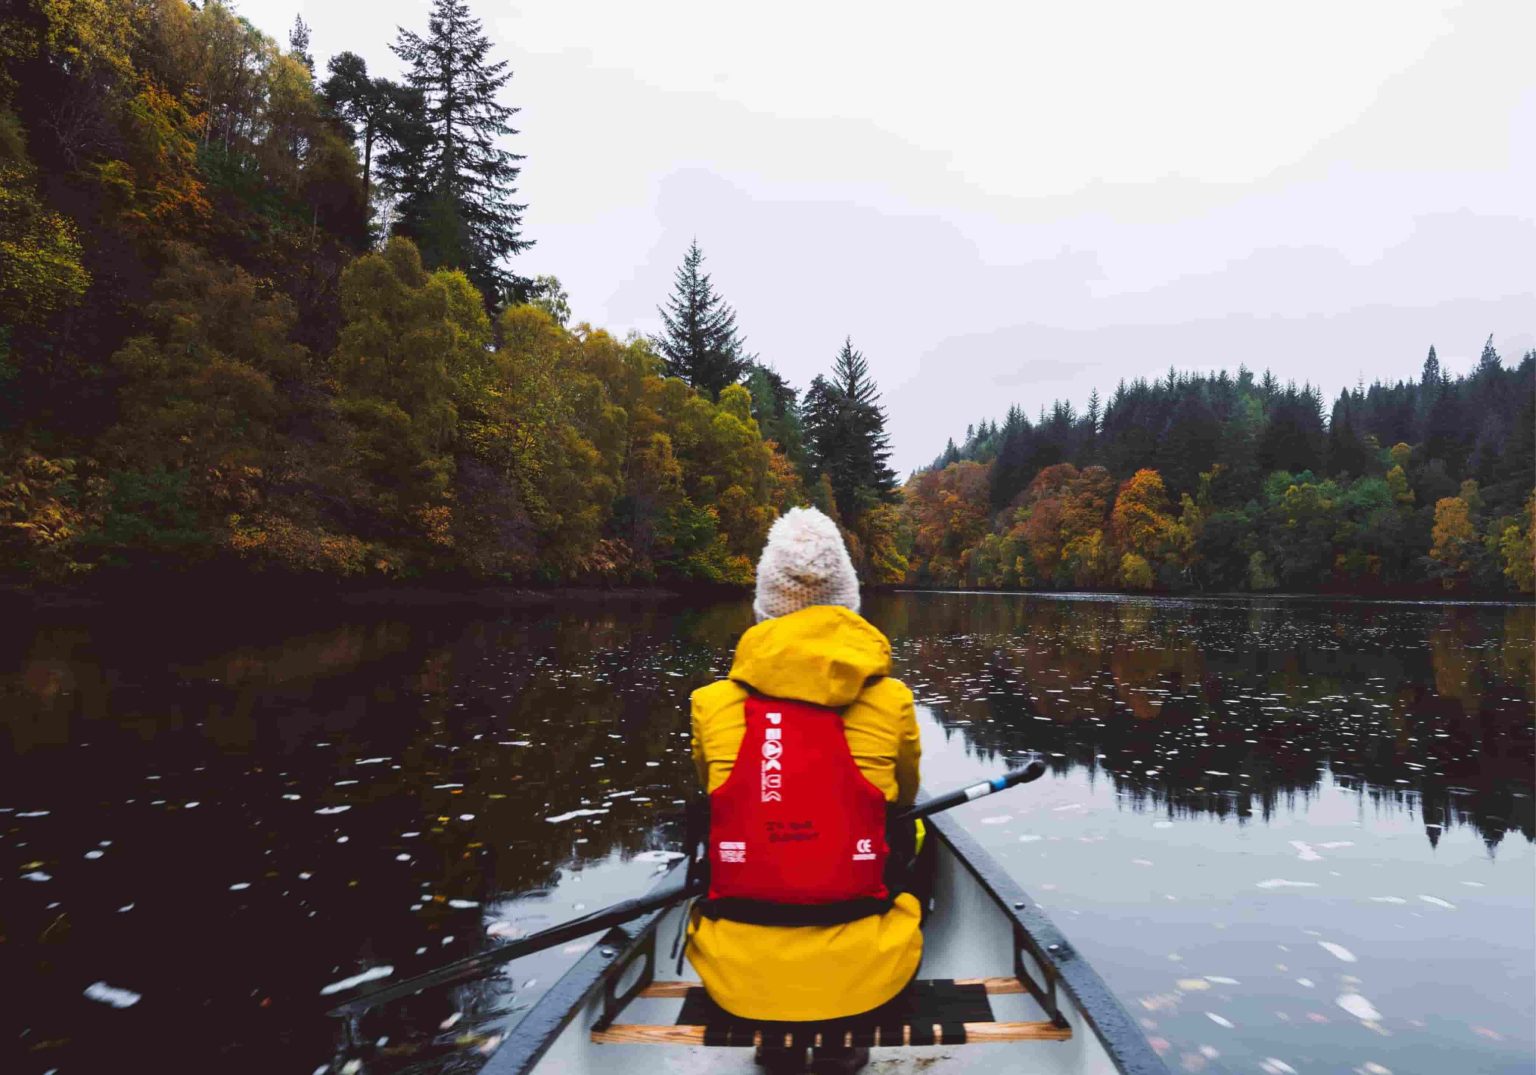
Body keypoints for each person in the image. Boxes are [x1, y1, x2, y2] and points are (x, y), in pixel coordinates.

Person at [686, 507, 923, 1074]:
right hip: (871, 974)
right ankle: (843, 1031)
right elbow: (907, 796)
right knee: (911, 826)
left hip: (734, 975)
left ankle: (772, 1032)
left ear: (763, 610)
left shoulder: (710, 704)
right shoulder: (892, 702)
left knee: (710, 817)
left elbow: (715, 794)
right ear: (849, 605)